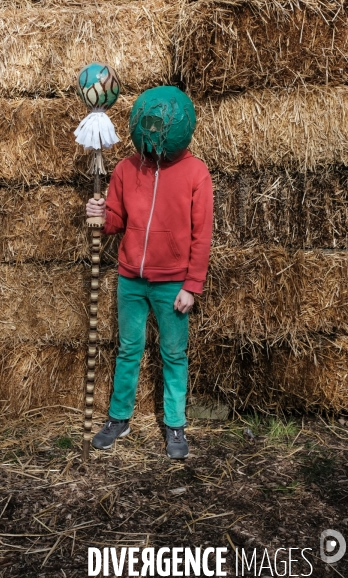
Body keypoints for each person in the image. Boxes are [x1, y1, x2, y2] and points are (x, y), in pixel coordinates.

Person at [86, 86, 213, 459]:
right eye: (150, 125)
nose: (154, 133)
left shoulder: (196, 172)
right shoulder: (126, 168)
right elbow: (117, 220)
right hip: (131, 278)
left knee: (173, 353)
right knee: (128, 348)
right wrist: (100, 216)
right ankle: (119, 418)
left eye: (161, 125)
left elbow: (202, 234)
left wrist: (192, 285)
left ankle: (175, 425)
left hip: (173, 281)